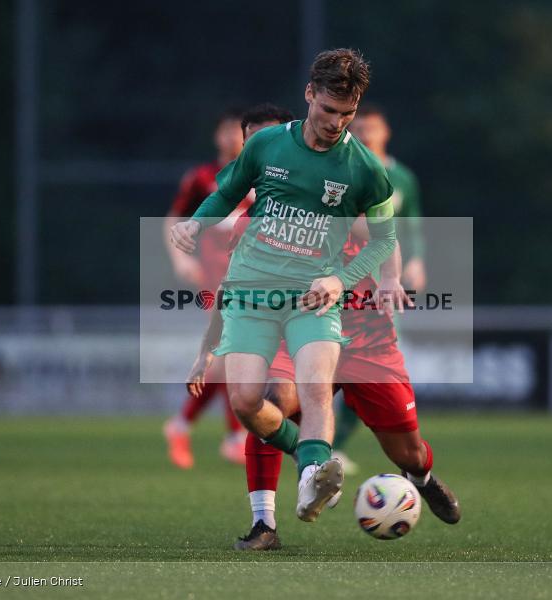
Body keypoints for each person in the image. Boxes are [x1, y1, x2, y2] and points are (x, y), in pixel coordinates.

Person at [188, 106, 460, 551]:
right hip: (299, 324)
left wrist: (391, 279)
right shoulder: (253, 223)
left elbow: (381, 234)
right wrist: (210, 347)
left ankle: (423, 478)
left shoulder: (343, 185)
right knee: (269, 401)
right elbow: (234, 285)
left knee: (406, 450)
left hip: (368, 334)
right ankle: (266, 523)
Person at [170, 49, 396, 523]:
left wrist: (340, 278)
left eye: (347, 114)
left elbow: (384, 241)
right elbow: (227, 193)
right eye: (329, 110)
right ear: (310, 94)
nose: (337, 123)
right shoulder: (267, 144)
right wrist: (196, 224)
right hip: (256, 295)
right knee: (247, 403)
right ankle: (307, 458)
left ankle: (314, 476)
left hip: (314, 298)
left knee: (314, 388)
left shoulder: (365, 169)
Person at [332, 104, 429, 474]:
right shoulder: (343, 171)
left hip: (386, 280)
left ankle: (335, 444)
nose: (366, 133)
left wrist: (415, 262)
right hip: (345, 281)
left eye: (372, 127)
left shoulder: (402, 177)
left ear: (385, 131)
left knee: (372, 371)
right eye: (359, 127)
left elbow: (412, 224)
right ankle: (323, 445)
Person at [162, 108, 248, 469]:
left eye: (238, 132)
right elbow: (173, 219)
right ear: (217, 137)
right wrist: (181, 260)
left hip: (251, 280)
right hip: (216, 279)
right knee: (229, 351)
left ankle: (182, 425)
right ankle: (234, 436)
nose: (232, 138)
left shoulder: (260, 176)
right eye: (226, 131)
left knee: (226, 357)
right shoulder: (202, 178)